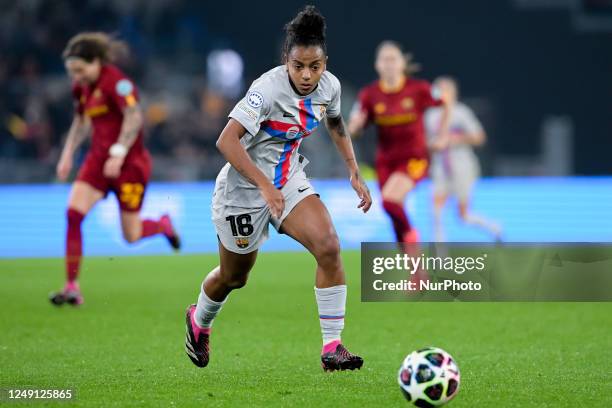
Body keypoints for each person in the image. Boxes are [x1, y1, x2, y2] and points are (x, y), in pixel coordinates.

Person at [184, 6, 372, 372]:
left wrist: (353, 170)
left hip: (287, 182)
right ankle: (199, 320)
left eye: (314, 66)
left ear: (324, 62)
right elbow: (227, 141)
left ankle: (332, 347)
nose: (306, 74)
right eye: (298, 65)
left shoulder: (329, 86)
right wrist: (263, 186)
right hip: (242, 190)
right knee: (234, 277)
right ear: (287, 59)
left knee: (329, 247)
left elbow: (335, 123)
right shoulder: (265, 90)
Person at [50, 32, 181, 306]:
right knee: (73, 214)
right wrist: (67, 154)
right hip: (97, 163)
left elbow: (134, 117)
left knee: (131, 236)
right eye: (72, 72)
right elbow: (81, 122)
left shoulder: (118, 83)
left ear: (96, 61)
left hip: (129, 165)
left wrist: (119, 153)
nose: (77, 77)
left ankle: (162, 224)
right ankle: (72, 286)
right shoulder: (81, 88)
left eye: (80, 70)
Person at [348, 41, 450, 244]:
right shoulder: (369, 95)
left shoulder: (419, 89)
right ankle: (416, 271)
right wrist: (356, 127)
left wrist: (442, 136)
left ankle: (413, 235)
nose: (389, 64)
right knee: (394, 214)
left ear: (402, 63)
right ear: (377, 65)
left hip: (414, 158)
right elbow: (352, 129)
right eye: (384, 59)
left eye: (393, 59)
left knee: (390, 200)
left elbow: (445, 100)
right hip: (385, 162)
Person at [425, 76, 502, 242]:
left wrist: (455, 139)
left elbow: (480, 137)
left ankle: (493, 228)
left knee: (463, 215)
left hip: (462, 167)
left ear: (453, 93)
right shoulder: (430, 116)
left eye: (445, 89)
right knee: (436, 211)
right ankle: (439, 254)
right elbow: (425, 142)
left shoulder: (461, 113)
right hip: (440, 169)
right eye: (438, 89)